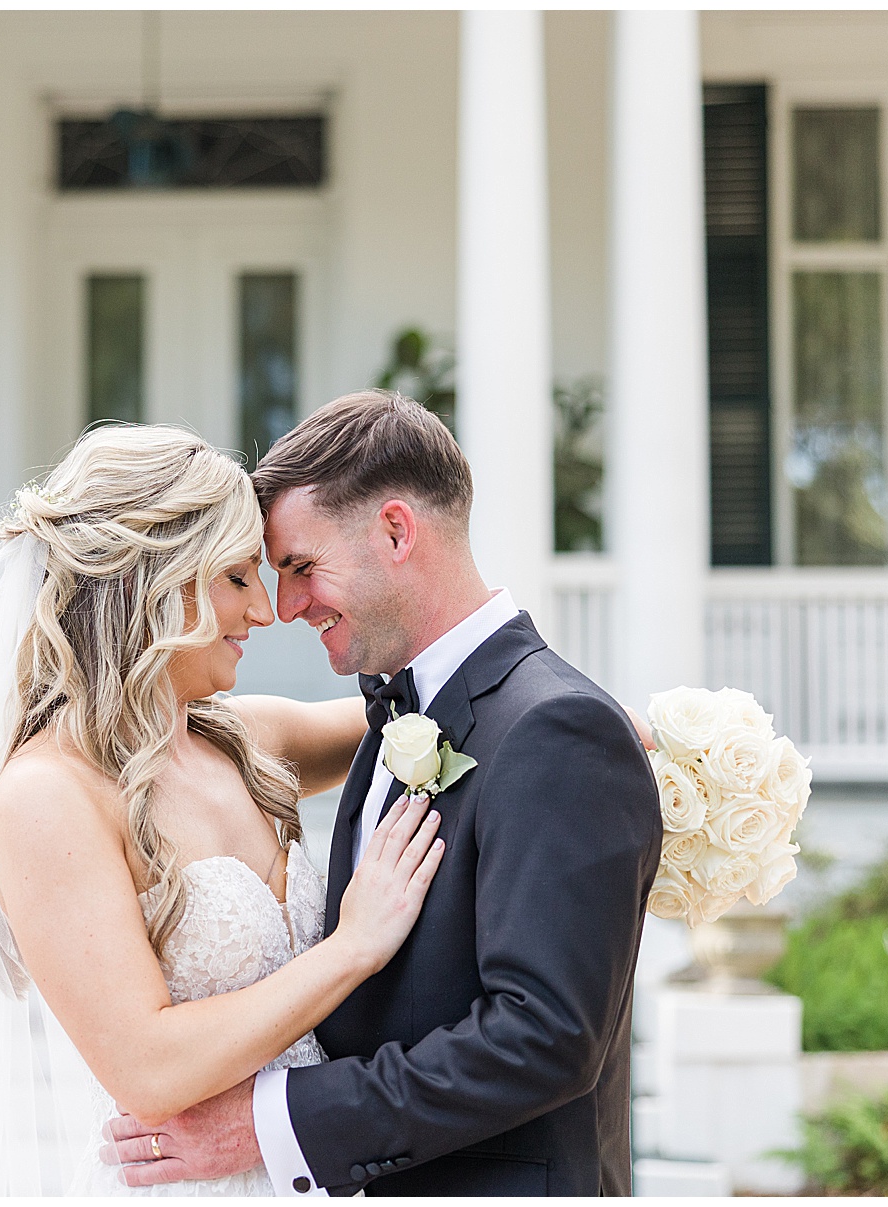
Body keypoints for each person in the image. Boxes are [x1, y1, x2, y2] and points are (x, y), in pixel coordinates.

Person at [0, 423, 444, 1195]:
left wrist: (621, 731)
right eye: (238, 578)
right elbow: (148, 1064)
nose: (267, 611)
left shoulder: (245, 738)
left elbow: (442, 718)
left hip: (313, 1169)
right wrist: (350, 947)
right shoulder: (47, 795)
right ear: (157, 582)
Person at [100, 390, 663, 1195]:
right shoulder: (407, 712)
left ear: (396, 530)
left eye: (300, 567)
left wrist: (270, 1123)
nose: (283, 607)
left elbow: (544, 1036)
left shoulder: (556, 731)